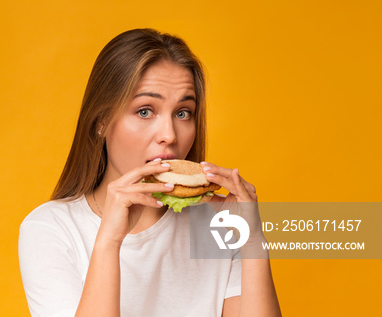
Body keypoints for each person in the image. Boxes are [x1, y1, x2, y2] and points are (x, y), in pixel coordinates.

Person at [18, 29, 281, 317]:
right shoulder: (50, 229)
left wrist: (253, 240)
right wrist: (109, 241)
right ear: (101, 121)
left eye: (183, 113)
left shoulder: (221, 227)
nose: (169, 135)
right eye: (145, 111)